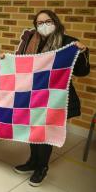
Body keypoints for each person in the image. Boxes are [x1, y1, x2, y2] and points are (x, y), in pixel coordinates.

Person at [11, 10, 90, 187]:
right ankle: (32, 161)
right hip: (33, 94)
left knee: (45, 133)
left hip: (55, 98)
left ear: (55, 21)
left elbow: (83, 72)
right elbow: (20, 63)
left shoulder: (68, 42)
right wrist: (5, 60)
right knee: (33, 130)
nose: (43, 25)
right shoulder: (31, 42)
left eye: (47, 21)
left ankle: (42, 167)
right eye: (39, 23)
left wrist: (83, 52)